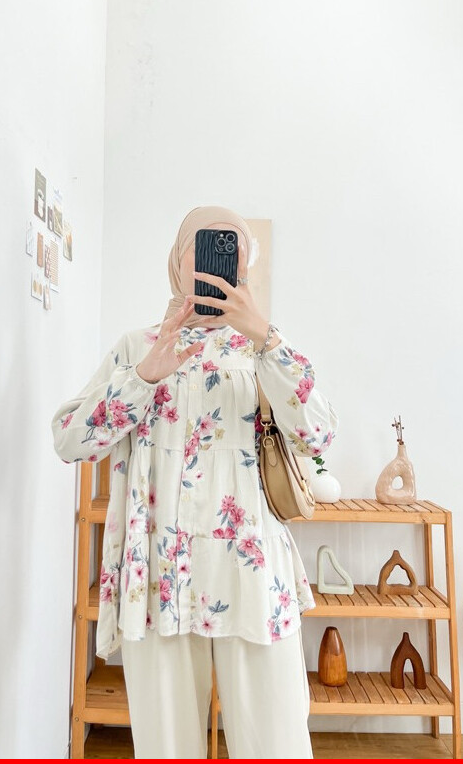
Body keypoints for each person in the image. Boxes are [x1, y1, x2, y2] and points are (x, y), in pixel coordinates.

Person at [51, 205, 339, 758]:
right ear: (177, 258)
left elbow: (320, 437)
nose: (217, 262)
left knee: (277, 742)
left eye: (233, 251)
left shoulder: (263, 349)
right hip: (161, 575)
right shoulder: (139, 346)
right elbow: (70, 440)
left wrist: (266, 339)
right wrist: (142, 378)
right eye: (205, 246)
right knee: (167, 747)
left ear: (246, 268)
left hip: (251, 570)